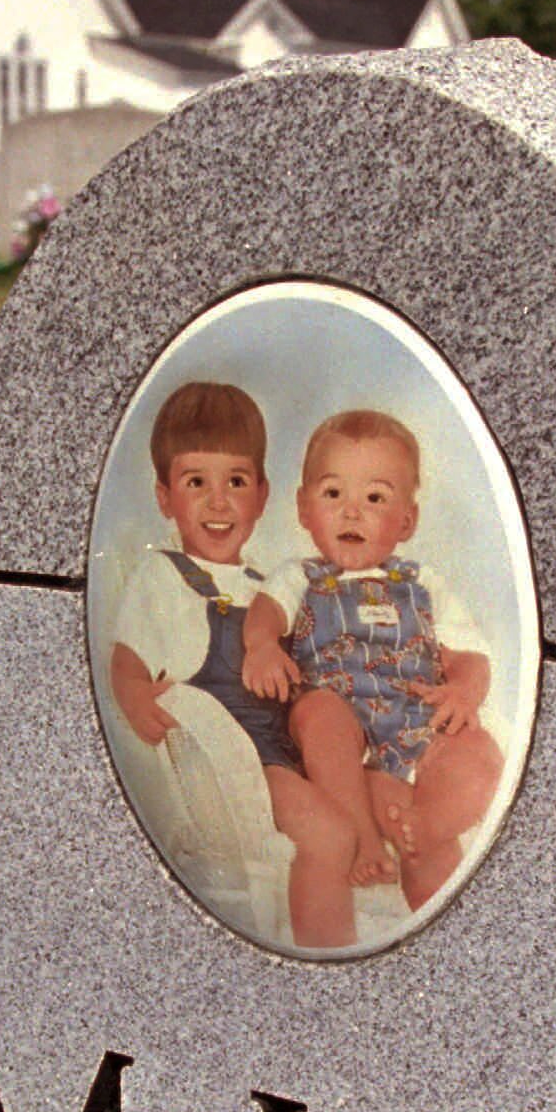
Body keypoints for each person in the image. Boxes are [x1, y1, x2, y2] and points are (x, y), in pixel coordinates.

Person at [109, 382, 356, 949]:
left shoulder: (263, 586)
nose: (219, 502)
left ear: (263, 495)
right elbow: (128, 657)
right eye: (197, 482)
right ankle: (325, 959)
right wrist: (135, 695)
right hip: (237, 767)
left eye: (236, 482)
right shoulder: (165, 578)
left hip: (286, 749)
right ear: (165, 495)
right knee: (331, 837)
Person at [241, 409, 502, 910]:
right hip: (348, 746)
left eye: (375, 498)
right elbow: (266, 614)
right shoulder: (300, 576)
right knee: (319, 715)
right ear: (303, 508)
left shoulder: (423, 583)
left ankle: (428, 830)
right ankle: (363, 835)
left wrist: (464, 691)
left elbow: (469, 654)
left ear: (407, 519)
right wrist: (261, 646)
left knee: (480, 755)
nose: (351, 512)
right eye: (333, 494)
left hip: (418, 723)